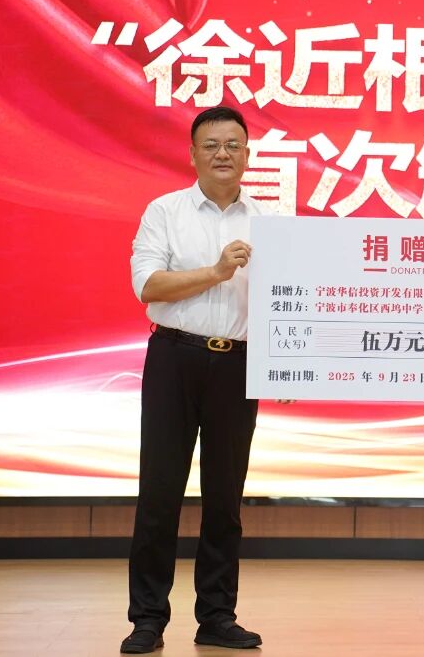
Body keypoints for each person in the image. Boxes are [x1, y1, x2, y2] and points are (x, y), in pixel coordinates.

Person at [120, 106, 269, 653]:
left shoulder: (270, 221)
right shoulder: (164, 211)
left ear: (248, 154)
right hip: (174, 358)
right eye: (211, 145)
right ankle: (147, 619)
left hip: (239, 365)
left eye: (233, 145)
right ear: (192, 154)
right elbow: (148, 286)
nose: (222, 154)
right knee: (160, 492)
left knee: (225, 498)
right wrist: (217, 272)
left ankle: (217, 616)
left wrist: (289, 358)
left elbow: (289, 299)